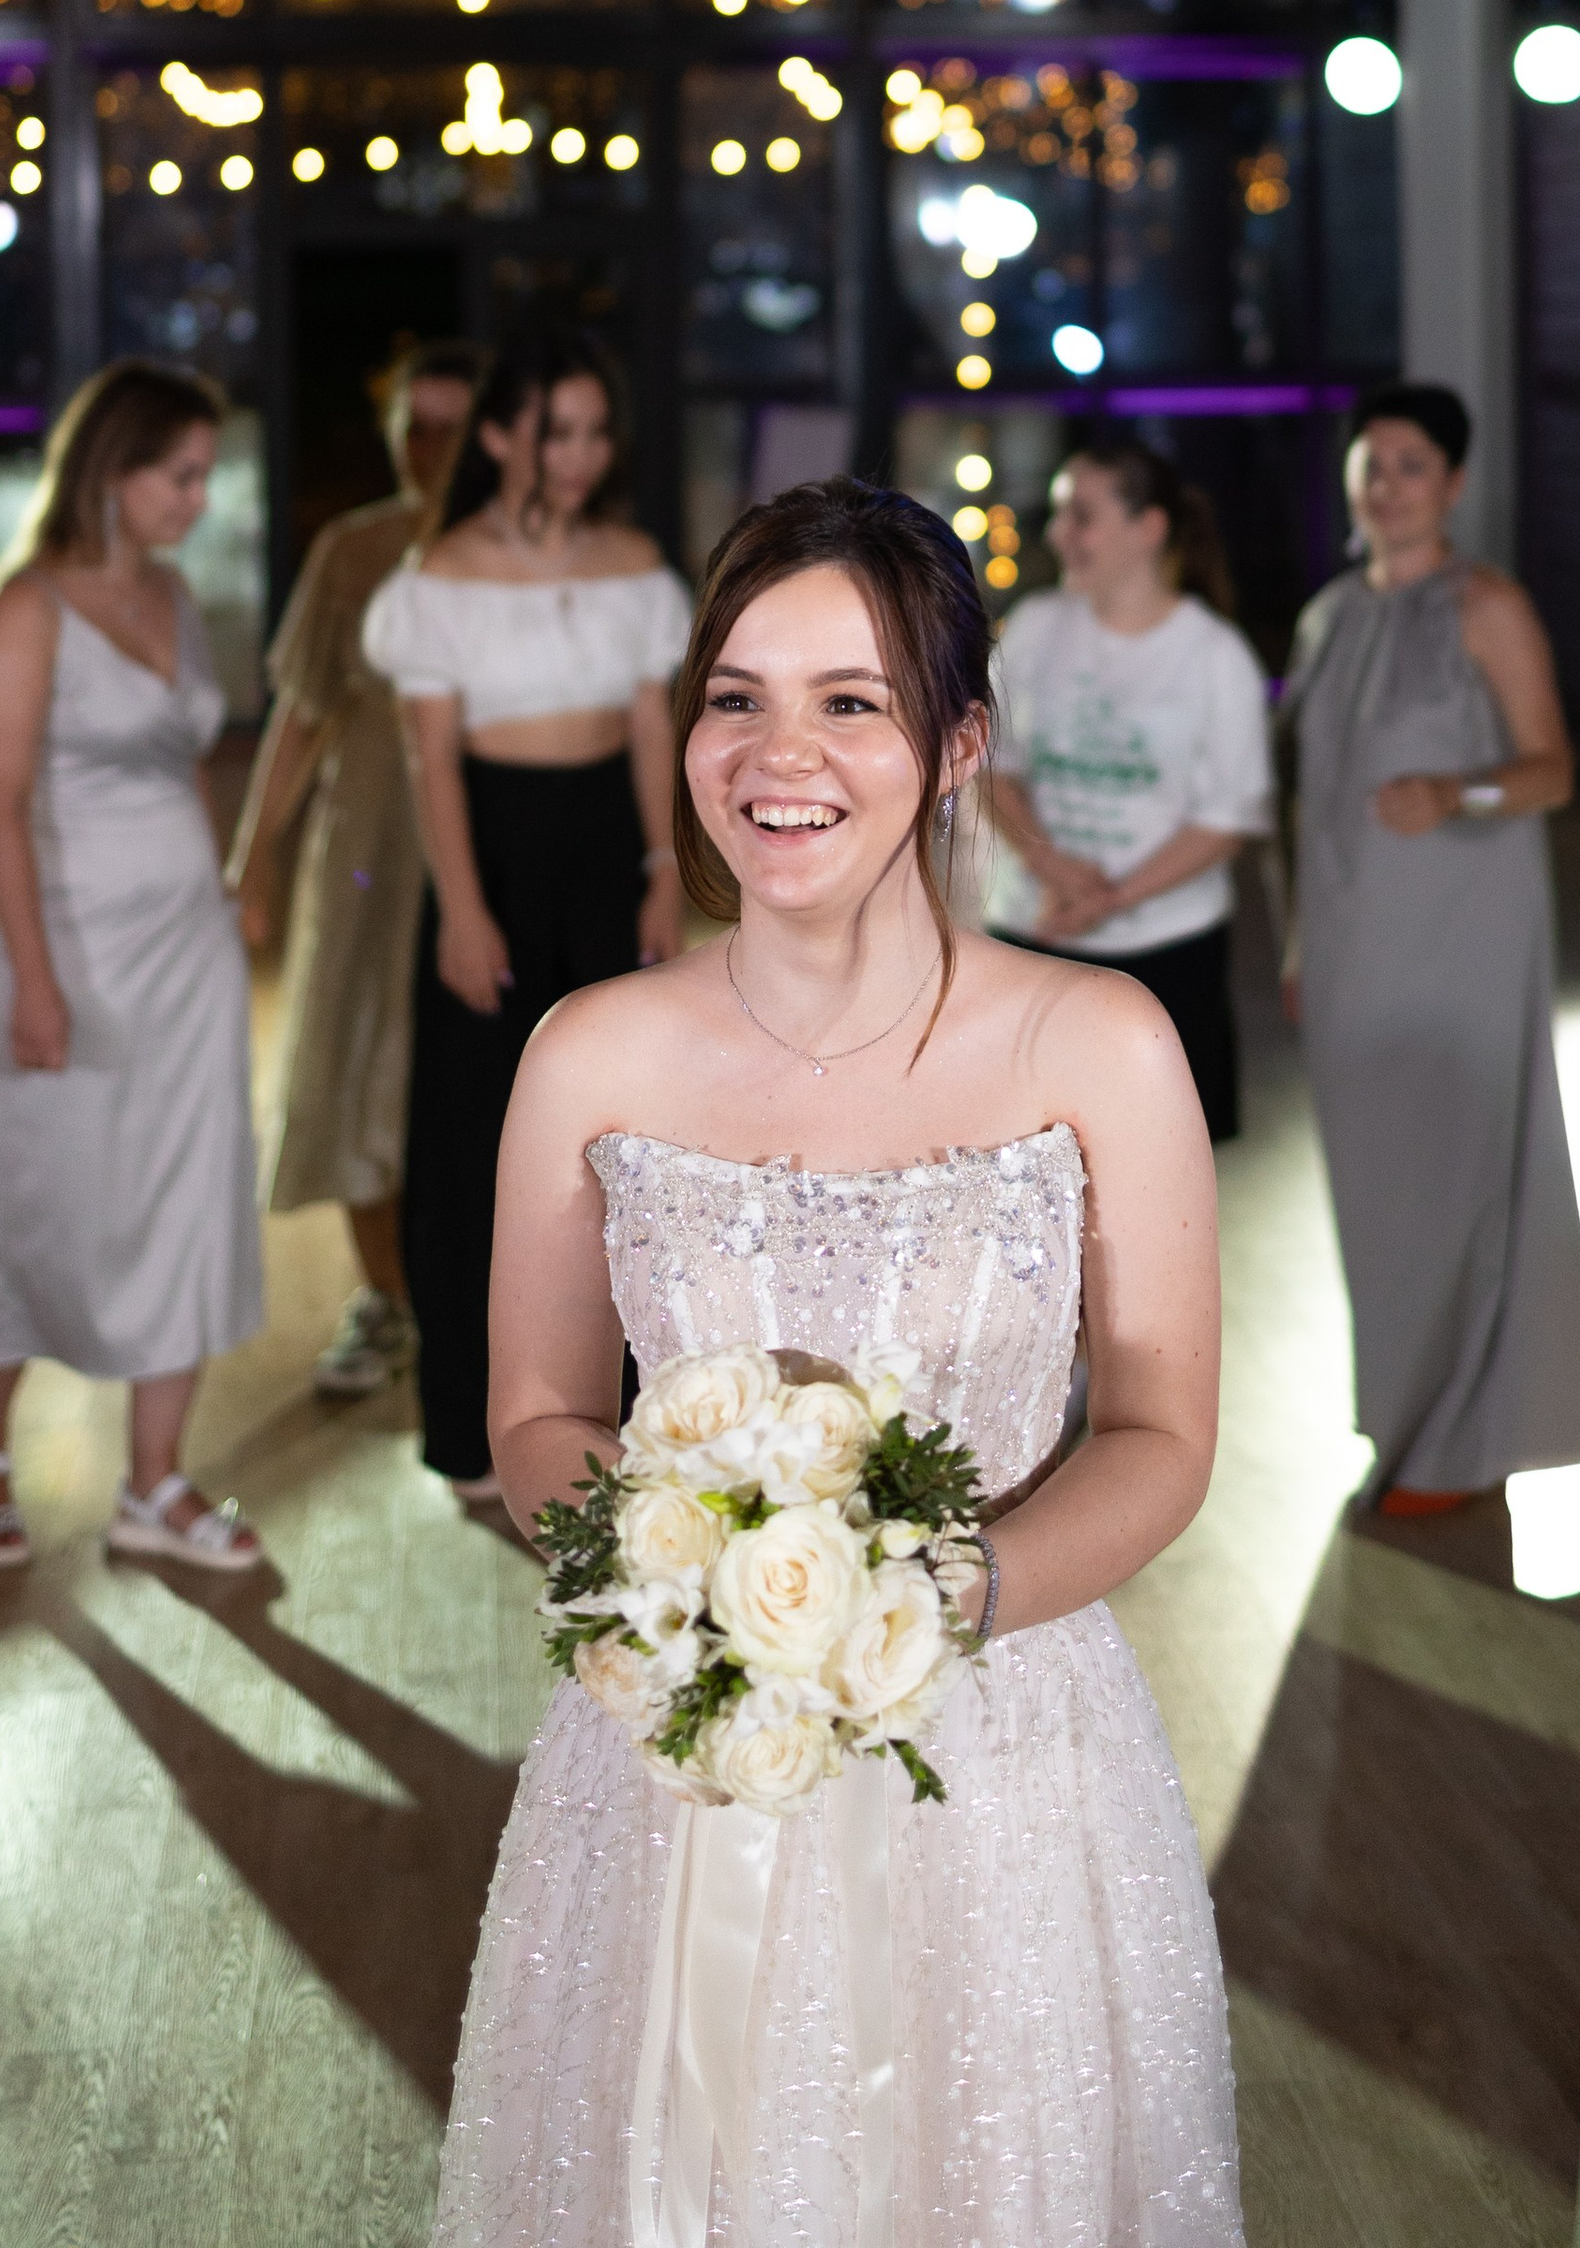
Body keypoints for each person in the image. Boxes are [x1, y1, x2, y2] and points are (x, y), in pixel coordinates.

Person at [428, 477, 1242, 2247]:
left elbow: (1168, 1434)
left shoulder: (1098, 1043)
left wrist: (936, 1595)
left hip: (1008, 1754)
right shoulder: (589, 1054)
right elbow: (539, 1414)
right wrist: (683, 1573)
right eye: (737, 696)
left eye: (850, 701)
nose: (777, 754)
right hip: (676, 1760)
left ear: (956, 747)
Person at [0, 360, 267, 1576]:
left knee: (188, 1191)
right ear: (112, 473)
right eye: (179, 474)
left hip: (183, 951)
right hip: (67, 950)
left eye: (203, 474)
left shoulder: (176, 597)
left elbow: (183, 762)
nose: (199, 496)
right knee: (40, 1188)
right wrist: (34, 976)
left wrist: (225, 886)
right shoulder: (28, 609)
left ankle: (155, 1481)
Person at [364, 327, 692, 1509]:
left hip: (609, 852)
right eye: (559, 430)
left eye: (598, 433)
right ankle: (469, 1427)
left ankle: (639, 1421)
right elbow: (430, 763)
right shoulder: (439, 575)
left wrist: (664, 866)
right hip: (490, 855)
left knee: (631, 1143)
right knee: (472, 1148)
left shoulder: (633, 562)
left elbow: (656, 727)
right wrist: (460, 907)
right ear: (502, 434)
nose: (580, 455)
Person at [1282, 382, 1580, 1515]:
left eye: (1412, 464)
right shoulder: (1326, 617)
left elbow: (1551, 767)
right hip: (1351, 935)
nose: (1387, 483)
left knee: (1465, 1173)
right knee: (1379, 1192)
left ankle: (1462, 1441)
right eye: (1371, 462)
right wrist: (1295, 940)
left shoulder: (1487, 606)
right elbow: (1311, 799)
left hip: (1463, 927)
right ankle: (1405, 1416)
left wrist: (1455, 789)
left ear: (1454, 485)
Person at [228, 335, 482, 1396]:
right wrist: (253, 855)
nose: (429, 451)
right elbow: (304, 710)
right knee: (352, 1061)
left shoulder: (534, 554)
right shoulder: (355, 549)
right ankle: (383, 1298)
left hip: (484, 865)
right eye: (411, 428)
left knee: (466, 1084)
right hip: (370, 857)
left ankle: (479, 1303)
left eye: (450, 427)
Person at [986, 430, 1272, 1141]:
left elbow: (1226, 818)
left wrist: (1111, 899)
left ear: (1149, 529)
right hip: (1033, 932)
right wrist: (1054, 870)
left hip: (1165, 952)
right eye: (1059, 514)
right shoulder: (1034, 626)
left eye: (1081, 515)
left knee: (1154, 1164)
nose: (1058, 534)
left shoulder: (1213, 654)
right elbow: (992, 764)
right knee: (1022, 1166)